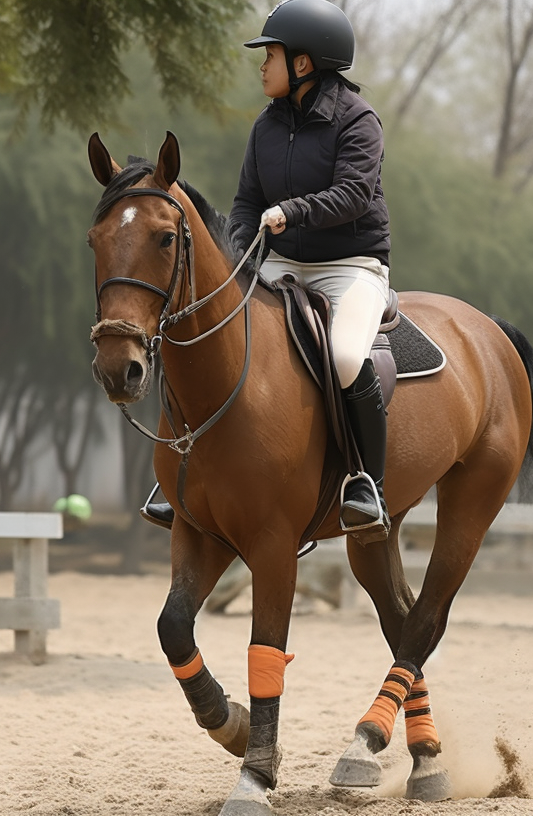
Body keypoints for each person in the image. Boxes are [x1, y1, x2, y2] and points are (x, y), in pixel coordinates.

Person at [143, 0, 392, 535]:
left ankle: (365, 482)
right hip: (279, 263)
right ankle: (180, 470)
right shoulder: (267, 126)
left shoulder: (358, 120)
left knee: (347, 357)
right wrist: (236, 250)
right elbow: (247, 202)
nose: (262, 64)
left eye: (270, 54)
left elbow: (353, 194)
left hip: (350, 265)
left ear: (303, 64)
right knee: (207, 332)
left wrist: (293, 210)